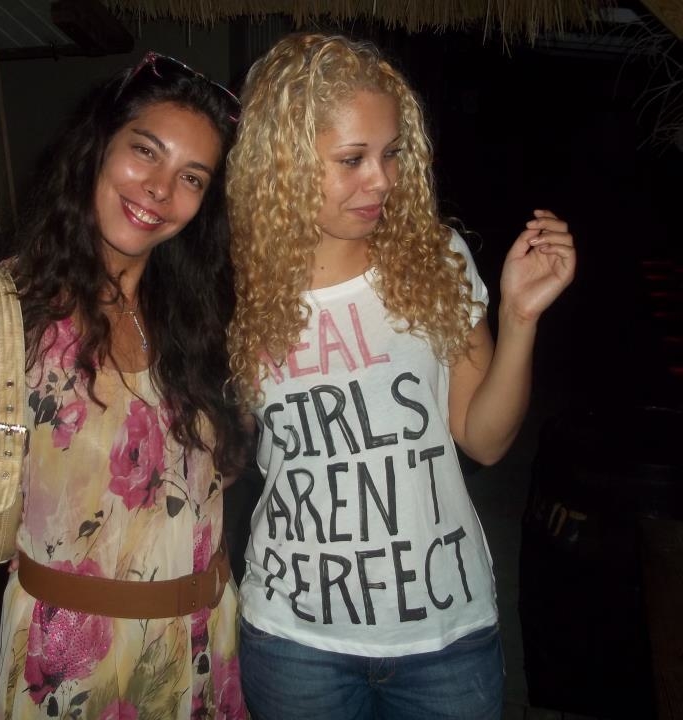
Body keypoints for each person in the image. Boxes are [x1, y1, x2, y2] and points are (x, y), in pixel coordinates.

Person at [0, 51, 247, 720]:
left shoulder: (201, 315)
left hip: (206, 652)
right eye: (145, 151)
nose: (160, 189)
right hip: (75, 668)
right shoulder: (4, 309)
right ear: (98, 145)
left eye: (191, 177)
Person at [225, 33, 576, 720]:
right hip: (296, 637)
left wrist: (519, 316)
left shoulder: (434, 259)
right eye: (352, 159)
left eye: (390, 153)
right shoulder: (238, 289)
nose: (383, 179)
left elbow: (484, 439)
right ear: (283, 160)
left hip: (444, 634)